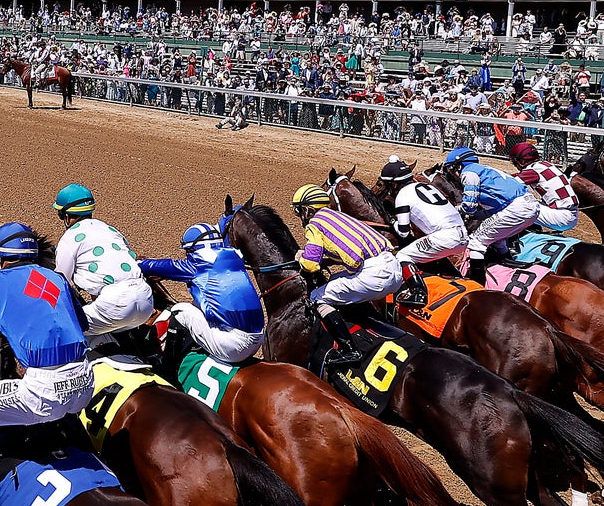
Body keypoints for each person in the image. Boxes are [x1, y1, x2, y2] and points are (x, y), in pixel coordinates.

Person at [0, 223, 93, 506]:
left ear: (0, 260)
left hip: (43, 390)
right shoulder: (56, 277)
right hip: (85, 382)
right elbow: (82, 324)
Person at [138, 223, 265, 364]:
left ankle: (168, 364)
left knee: (180, 310)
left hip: (234, 348)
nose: (188, 256)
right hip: (259, 338)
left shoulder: (198, 264)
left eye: (188, 251)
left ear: (194, 248)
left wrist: (135, 263)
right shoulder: (235, 257)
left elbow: (155, 266)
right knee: (197, 305)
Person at [52, 183, 154, 342]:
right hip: (146, 301)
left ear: (65, 215)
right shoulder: (111, 230)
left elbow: (60, 283)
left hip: (115, 305)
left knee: (62, 329)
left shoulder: (69, 238)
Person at [290, 184, 403, 314]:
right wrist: (329, 261)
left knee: (316, 296)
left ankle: (342, 335)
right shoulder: (340, 216)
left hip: (373, 277)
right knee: (334, 280)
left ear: (308, 211)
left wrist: (301, 258)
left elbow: (310, 265)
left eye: (299, 211)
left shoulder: (315, 224)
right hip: (394, 270)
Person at [445, 146, 542, 270]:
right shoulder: (485, 170)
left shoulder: (468, 173)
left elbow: (469, 207)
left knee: (475, 242)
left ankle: (477, 283)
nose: (452, 175)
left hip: (517, 208)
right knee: (497, 239)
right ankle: (507, 265)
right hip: (530, 206)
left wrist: (455, 210)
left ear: (458, 166)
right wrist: (475, 215)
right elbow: (489, 212)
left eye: (451, 170)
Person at [375, 155, 469, 272]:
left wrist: (393, 221)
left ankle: (417, 291)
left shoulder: (402, 195)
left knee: (402, 256)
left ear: (394, 184)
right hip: (464, 236)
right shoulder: (426, 186)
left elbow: (403, 232)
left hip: (445, 238)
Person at [506, 141, 580, 233]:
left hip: (562, 217)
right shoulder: (545, 165)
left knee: (514, 205)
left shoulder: (532, 171)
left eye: (515, 163)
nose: (516, 166)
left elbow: (507, 184)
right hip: (570, 213)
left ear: (521, 161)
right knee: (529, 202)